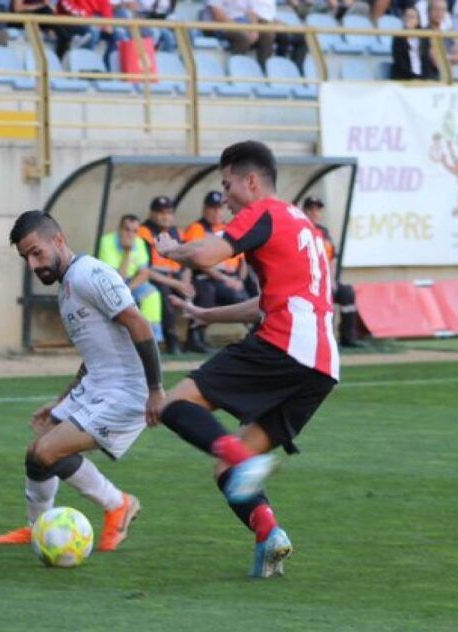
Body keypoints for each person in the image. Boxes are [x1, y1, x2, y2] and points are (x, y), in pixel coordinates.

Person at [152, 141, 339, 578]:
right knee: (227, 469)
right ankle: (270, 535)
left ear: (251, 181)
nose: (226, 196)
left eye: (228, 184)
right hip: (321, 367)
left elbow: (203, 254)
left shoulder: (265, 211)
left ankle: (245, 460)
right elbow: (269, 300)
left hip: (285, 344)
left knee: (175, 405)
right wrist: (207, 314)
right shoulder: (301, 224)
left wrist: (169, 247)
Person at [0, 210, 164, 550]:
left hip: (125, 392)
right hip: (99, 386)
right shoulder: (68, 288)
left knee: (48, 452)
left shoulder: (90, 274)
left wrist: (156, 390)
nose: (32, 264)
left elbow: (139, 324)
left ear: (58, 240)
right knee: (35, 453)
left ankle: (118, 504)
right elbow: (94, 356)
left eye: (37, 252)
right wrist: (62, 400)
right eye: (26, 257)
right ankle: (39, 528)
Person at [182, 191, 251, 353]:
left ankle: (255, 333)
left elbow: (243, 260)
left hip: (231, 277)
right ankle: (195, 338)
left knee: (246, 293)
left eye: (219, 208)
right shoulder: (197, 228)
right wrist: (225, 279)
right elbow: (197, 260)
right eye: (212, 208)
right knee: (206, 291)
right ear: (205, 209)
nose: (216, 212)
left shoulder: (229, 227)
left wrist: (239, 279)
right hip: (206, 276)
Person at [301, 196, 366, 348]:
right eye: (311, 209)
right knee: (325, 298)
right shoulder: (301, 229)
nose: (315, 213)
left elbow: (332, 259)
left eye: (317, 209)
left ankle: (347, 337)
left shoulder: (324, 232)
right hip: (309, 282)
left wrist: (332, 280)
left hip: (327, 280)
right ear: (304, 211)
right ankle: (321, 340)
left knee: (347, 292)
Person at [138, 195, 195, 355]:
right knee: (165, 293)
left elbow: (187, 262)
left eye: (169, 212)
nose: (165, 216)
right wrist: (178, 284)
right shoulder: (145, 231)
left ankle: (195, 338)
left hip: (177, 276)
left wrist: (186, 281)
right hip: (156, 277)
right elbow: (146, 270)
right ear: (151, 213)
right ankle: (171, 340)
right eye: (160, 212)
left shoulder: (177, 231)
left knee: (200, 290)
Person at [98, 214, 165, 342]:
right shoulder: (106, 242)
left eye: (134, 231)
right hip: (109, 284)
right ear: (119, 229)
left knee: (152, 294)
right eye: (127, 229)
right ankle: (126, 341)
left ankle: (152, 339)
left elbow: (144, 273)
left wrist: (129, 288)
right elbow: (117, 278)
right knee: (121, 297)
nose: (130, 234)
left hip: (130, 284)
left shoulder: (139, 243)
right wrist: (128, 252)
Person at [202, 0, 275, 67]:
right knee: (242, 38)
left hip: (243, 23)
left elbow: (252, 13)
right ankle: (237, 71)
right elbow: (219, 17)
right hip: (219, 26)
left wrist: (254, 29)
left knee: (267, 34)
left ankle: (264, 72)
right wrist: (242, 29)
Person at [392, 6, 438, 80]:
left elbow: (427, 61)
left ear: (417, 21)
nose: (408, 19)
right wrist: (414, 77)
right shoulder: (398, 38)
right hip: (405, 78)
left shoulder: (424, 38)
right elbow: (400, 63)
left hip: (424, 78)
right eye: (406, 16)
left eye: (412, 17)